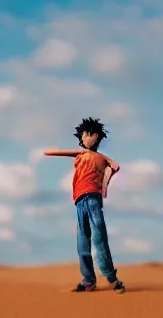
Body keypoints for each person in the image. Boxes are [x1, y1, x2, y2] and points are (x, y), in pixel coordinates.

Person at [43, 117, 126, 294]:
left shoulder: (99, 157)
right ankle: (89, 280)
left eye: (88, 134)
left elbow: (116, 165)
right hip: (80, 201)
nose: (85, 137)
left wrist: (106, 181)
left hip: (92, 199)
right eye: (83, 135)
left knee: (99, 239)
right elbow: (48, 152)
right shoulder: (80, 154)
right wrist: (75, 152)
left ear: (96, 136)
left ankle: (112, 279)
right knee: (82, 243)